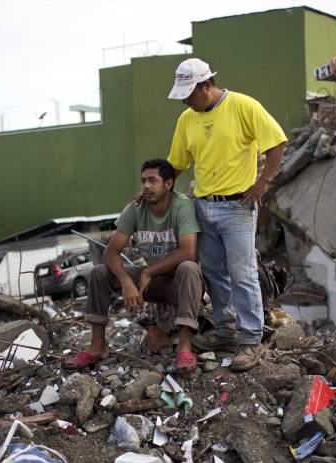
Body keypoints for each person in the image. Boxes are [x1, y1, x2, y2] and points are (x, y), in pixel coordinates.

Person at [166, 58, 287, 372]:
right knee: (215, 273)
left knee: (242, 273)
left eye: (189, 94)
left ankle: (251, 340)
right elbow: (177, 163)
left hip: (237, 207)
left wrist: (263, 183)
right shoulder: (187, 120)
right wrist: (157, 185)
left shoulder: (243, 106)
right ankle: (226, 332)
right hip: (203, 206)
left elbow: (276, 143)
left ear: (206, 85)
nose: (185, 101)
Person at [64, 159, 203, 374]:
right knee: (99, 272)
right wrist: (126, 281)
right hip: (150, 284)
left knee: (189, 267)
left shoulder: (181, 205)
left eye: (152, 181)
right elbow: (110, 252)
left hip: (178, 283)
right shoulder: (136, 209)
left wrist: (149, 271)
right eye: (143, 181)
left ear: (168, 184)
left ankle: (185, 348)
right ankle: (97, 346)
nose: (146, 186)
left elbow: (189, 251)